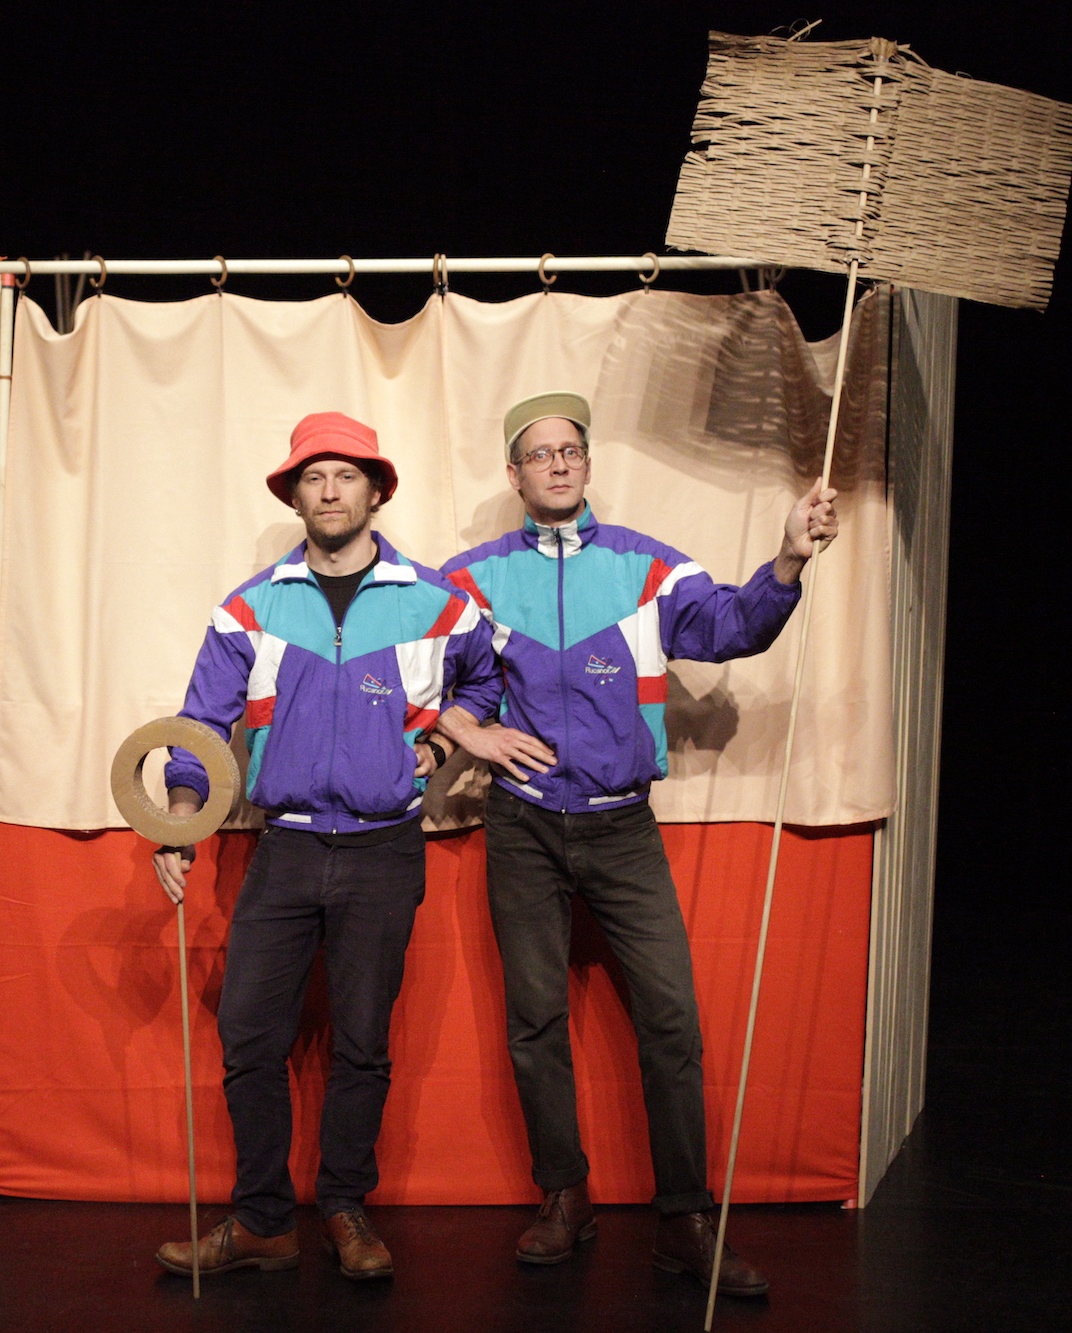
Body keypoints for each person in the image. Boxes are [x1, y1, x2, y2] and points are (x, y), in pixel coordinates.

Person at [434, 391, 839, 1298]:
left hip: (621, 824)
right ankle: (564, 1195)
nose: (560, 463)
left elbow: (734, 626)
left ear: (588, 461)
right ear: (516, 474)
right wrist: (473, 731)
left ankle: (684, 1221)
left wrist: (786, 555)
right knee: (535, 1022)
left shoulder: (652, 569)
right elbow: (433, 682)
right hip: (524, 826)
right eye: (540, 454)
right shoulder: (471, 579)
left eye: (571, 448)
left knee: (671, 1023)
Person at [151, 411, 498, 1283]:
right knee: (248, 1036)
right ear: (295, 493)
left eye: (347, 475)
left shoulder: (440, 601)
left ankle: (345, 1206)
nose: (331, 489)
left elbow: (485, 682)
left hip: (385, 849)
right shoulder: (249, 605)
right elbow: (200, 720)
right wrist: (183, 815)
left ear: (376, 490)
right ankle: (265, 1219)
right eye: (314, 476)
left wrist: (437, 752)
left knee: (363, 1041)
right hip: (288, 849)